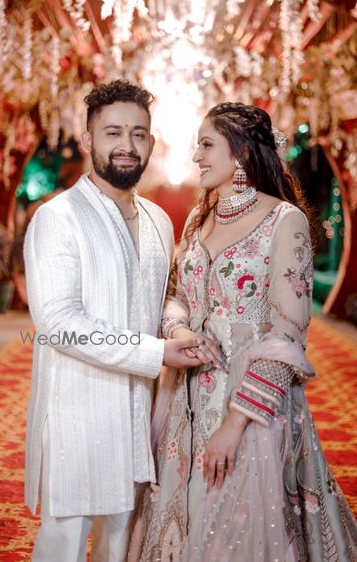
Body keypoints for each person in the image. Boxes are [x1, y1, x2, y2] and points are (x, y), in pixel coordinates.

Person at [129, 102, 357, 561]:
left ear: (241, 151)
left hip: (249, 404)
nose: (196, 156)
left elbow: (288, 337)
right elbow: (177, 296)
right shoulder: (198, 219)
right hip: (184, 397)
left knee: (235, 522)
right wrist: (178, 330)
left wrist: (235, 423)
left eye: (206, 145)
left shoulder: (284, 221)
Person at [23, 79, 220, 562]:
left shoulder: (158, 220)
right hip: (76, 411)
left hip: (138, 413)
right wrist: (157, 352)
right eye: (113, 133)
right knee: (64, 545)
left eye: (138, 134)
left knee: (122, 544)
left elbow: (161, 299)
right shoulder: (58, 218)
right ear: (88, 140)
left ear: (152, 143)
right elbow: (58, 321)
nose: (126, 145)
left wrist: (176, 328)